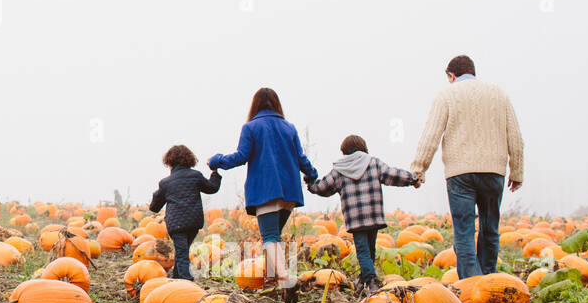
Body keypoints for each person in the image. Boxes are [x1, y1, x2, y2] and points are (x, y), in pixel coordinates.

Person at [411, 54, 524, 279]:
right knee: (490, 228)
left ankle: (471, 284)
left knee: (463, 231)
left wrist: (418, 169)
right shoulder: (499, 94)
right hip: (493, 171)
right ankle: (489, 279)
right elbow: (515, 135)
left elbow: (430, 135)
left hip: (460, 173)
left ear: (452, 76)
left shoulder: (446, 95)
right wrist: (517, 171)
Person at [209, 88, 318, 288]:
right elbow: (300, 158)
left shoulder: (251, 127)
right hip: (289, 192)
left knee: (270, 237)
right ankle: (271, 279)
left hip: (266, 189)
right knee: (273, 235)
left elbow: (241, 156)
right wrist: (311, 175)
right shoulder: (289, 128)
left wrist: (217, 161)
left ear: (255, 104)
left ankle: (285, 279)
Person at [308, 134, 421, 290]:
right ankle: (364, 279)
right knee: (370, 248)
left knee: (362, 250)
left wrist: (310, 183)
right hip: (374, 215)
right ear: (363, 148)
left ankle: (370, 279)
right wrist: (413, 179)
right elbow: (393, 175)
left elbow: (322, 188)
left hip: (355, 218)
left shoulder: (339, 170)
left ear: (344, 151)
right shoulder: (373, 163)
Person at [148, 145, 222, 282]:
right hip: (194, 222)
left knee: (181, 252)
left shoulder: (165, 183)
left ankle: (185, 280)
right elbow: (212, 188)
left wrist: (155, 197)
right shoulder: (196, 176)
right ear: (189, 160)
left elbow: (154, 207)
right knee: (183, 249)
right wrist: (214, 172)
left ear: (169, 162)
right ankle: (176, 276)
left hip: (176, 225)